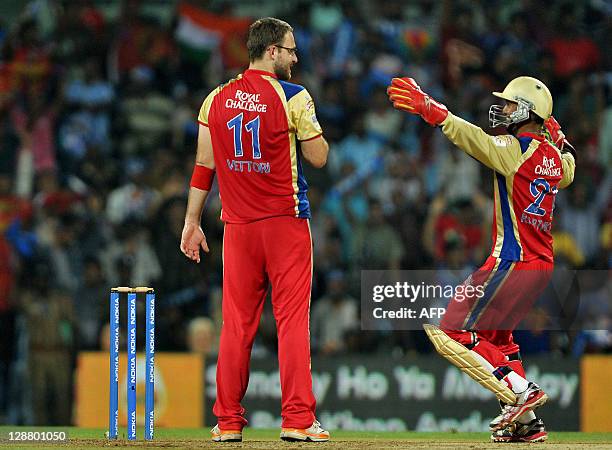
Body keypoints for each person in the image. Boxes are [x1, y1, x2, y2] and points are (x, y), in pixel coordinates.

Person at [387, 75, 575, 443]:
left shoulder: (513, 148)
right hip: (540, 265)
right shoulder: (553, 158)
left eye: (509, 104)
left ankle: (522, 392)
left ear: (527, 112)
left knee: (451, 331)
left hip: (511, 260)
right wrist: (558, 135)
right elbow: (569, 166)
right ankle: (527, 424)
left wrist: (436, 113)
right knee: (498, 340)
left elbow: (473, 139)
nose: (503, 109)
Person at [180, 17, 330, 443]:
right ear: (271, 51)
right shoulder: (294, 96)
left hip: (238, 228)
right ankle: (298, 420)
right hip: (285, 224)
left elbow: (203, 168)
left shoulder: (216, 98)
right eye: (291, 49)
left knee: (236, 325)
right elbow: (318, 158)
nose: (295, 57)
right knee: (291, 322)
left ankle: (227, 422)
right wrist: (311, 128)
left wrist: (191, 222)